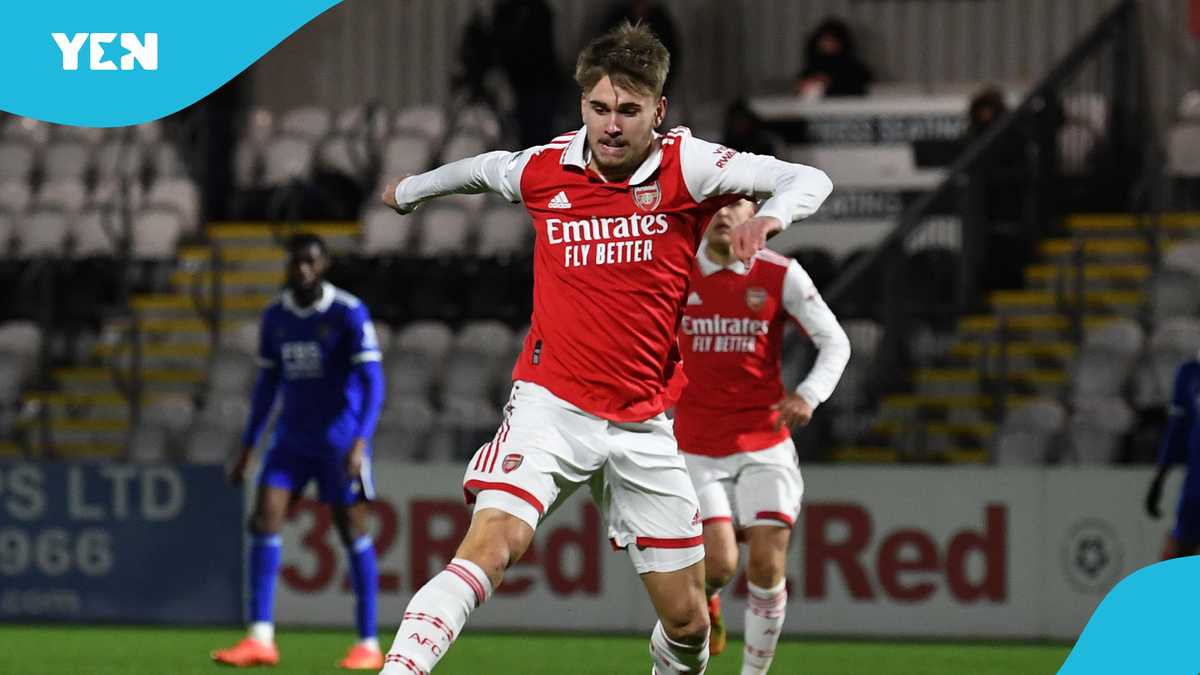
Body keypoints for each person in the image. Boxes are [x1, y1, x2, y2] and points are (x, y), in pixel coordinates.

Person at [376, 21, 832, 675]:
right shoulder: (546, 168)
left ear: (658, 111)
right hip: (551, 404)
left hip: (644, 421)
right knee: (492, 546)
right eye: (598, 108)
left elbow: (807, 177)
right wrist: (410, 192)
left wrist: (769, 217)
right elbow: (480, 170)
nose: (611, 126)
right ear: (582, 103)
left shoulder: (689, 165)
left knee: (688, 623)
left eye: (628, 111)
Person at [674, 199, 849, 674]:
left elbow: (835, 341)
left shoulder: (779, 273)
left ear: (755, 215)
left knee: (769, 565)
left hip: (764, 440)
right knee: (719, 564)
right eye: (716, 205)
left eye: (737, 205)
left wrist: (809, 394)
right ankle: (710, 596)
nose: (725, 215)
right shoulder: (675, 270)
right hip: (694, 446)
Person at [212, 233, 387, 670]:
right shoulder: (276, 316)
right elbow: (266, 387)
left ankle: (368, 643)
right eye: (297, 262)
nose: (303, 269)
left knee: (352, 531)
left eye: (311, 261)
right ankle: (260, 638)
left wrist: (361, 441)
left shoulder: (347, 311)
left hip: (339, 442)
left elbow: (374, 383)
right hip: (290, 441)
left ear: (324, 265)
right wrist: (248, 445)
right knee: (264, 518)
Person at [1144, 357, 1200, 559]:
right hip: (1196, 485)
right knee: (1182, 550)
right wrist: (1160, 477)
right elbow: (1176, 430)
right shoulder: (1189, 373)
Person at [794, 17, 872, 99]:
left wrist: (830, 83)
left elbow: (864, 89)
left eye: (832, 40)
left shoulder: (855, 69)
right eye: (826, 40)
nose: (828, 45)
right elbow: (798, 89)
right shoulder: (813, 68)